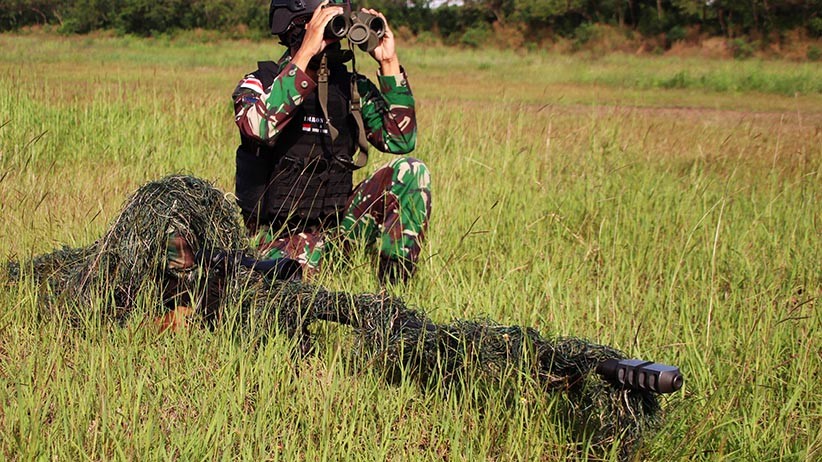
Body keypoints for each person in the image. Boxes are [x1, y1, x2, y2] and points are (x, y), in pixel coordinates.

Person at [232, 0, 431, 284]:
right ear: (297, 27)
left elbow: (400, 139)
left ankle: (393, 298)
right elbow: (258, 127)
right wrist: (306, 53)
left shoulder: (349, 88)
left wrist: (388, 61)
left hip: (335, 229)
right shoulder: (260, 83)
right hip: (274, 237)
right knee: (299, 268)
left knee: (411, 172)